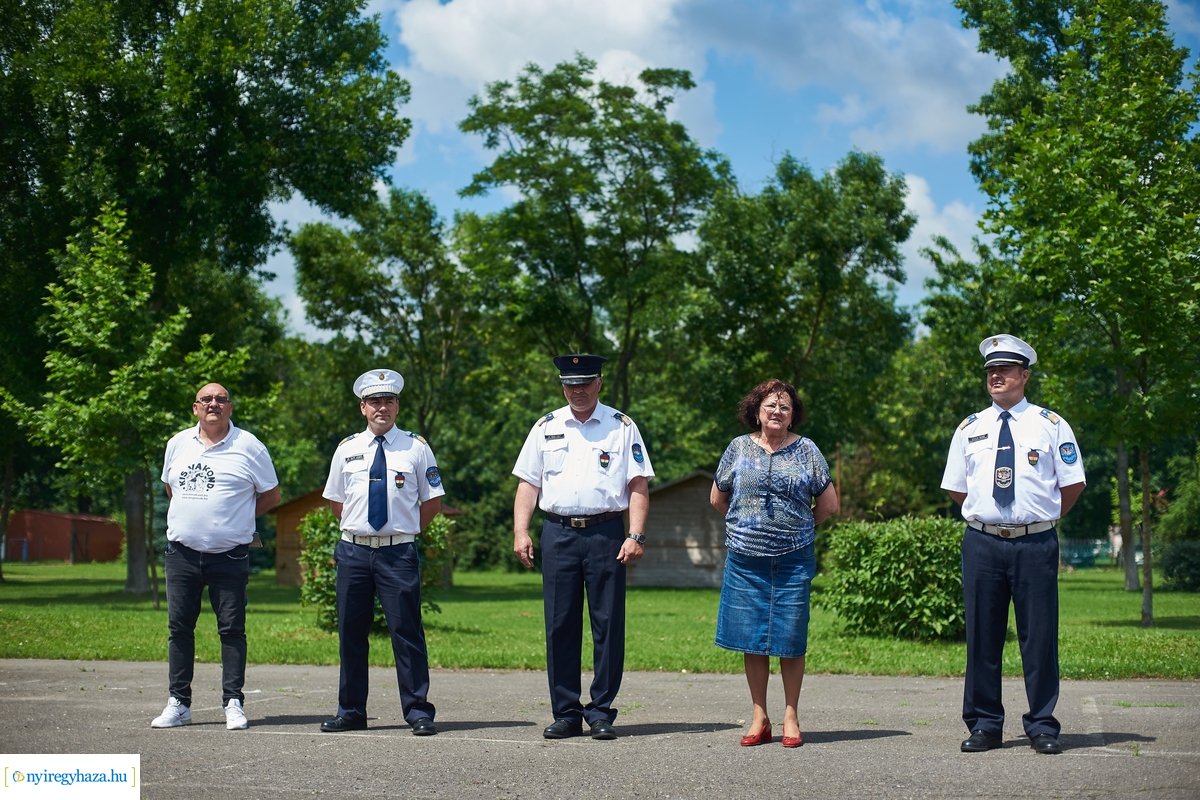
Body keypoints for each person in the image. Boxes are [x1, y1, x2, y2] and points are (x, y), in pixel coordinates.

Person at [941, 334, 1086, 755]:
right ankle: (985, 724)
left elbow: (1072, 484)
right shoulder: (971, 428)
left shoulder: (1051, 424)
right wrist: (990, 516)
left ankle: (1042, 725)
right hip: (983, 544)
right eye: (990, 370)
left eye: (1004, 370)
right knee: (982, 638)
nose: (995, 376)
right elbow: (957, 488)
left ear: (1024, 375)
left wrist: (1042, 517)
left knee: (1038, 637)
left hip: (1035, 544)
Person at [512, 354, 654, 741]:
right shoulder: (546, 426)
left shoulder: (621, 426)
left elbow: (638, 484)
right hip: (558, 534)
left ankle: (602, 711)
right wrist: (520, 532)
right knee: (559, 624)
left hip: (606, 533)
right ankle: (566, 713)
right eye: (570, 384)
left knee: (608, 623)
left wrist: (635, 534)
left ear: (599, 383)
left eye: (585, 383)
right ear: (562, 386)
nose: (577, 390)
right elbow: (528, 483)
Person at [709, 379, 838, 748]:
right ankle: (759, 716)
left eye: (784, 407)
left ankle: (791, 715)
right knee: (752, 638)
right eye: (770, 406)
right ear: (757, 410)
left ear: (793, 413)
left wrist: (798, 529)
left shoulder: (808, 450)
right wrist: (745, 525)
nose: (777, 412)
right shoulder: (737, 448)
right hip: (745, 560)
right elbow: (718, 498)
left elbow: (829, 505)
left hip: (793, 560)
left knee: (790, 638)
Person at [319, 369, 444, 736]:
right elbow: (336, 503)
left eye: (388, 400)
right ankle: (351, 710)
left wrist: (403, 530)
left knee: (406, 632)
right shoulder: (346, 449)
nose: (382, 407)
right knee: (351, 633)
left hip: (397, 553)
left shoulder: (416, 447)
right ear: (363, 407)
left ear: (397, 406)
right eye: (375, 401)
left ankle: (418, 710)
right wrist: (362, 533)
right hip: (354, 553)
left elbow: (433, 501)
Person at [153, 383, 280, 730]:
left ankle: (233, 702)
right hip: (181, 555)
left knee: (232, 630)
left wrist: (238, 519)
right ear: (195, 407)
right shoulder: (177, 444)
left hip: (230, 556)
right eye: (206, 399)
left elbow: (271, 495)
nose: (214, 404)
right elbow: (171, 488)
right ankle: (179, 703)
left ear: (230, 407)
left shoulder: (249, 446)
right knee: (179, 628)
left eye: (221, 399)